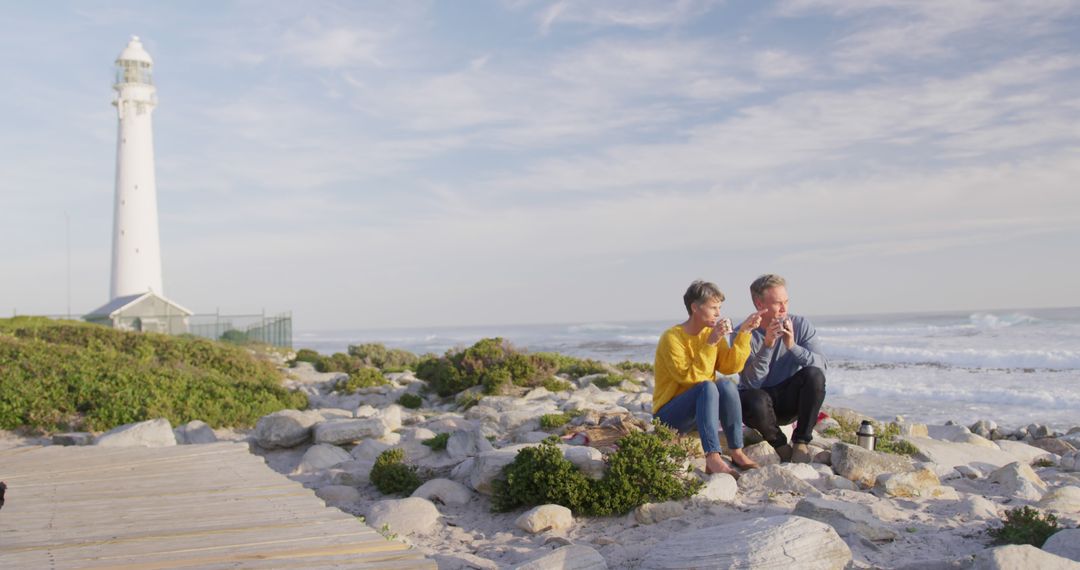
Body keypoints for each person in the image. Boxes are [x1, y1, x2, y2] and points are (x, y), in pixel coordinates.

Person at [654, 280, 765, 477]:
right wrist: (712, 341)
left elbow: (730, 367)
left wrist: (745, 332)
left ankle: (736, 451)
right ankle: (713, 457)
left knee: (726, 385)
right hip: (669, 416)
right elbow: (689, 378)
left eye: (719, 308)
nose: (718, 313)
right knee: (707, 386)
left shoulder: (709, 332)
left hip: (701, 410)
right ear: (695, 308)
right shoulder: (671, 338)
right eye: (713, 307)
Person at [737, 274, 827, 463]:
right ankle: (781, 447)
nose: (785, 309)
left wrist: (792, 346)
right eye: (778, 303)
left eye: (786, 302)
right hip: (758, 407)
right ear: (759, 304)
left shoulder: (801, 325)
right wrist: (767, 347)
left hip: (788, 401)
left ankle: (801, 442)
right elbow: (751, 383)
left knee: (814, 375)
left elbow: (821, 368)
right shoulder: (744, 332)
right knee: (753, 397)